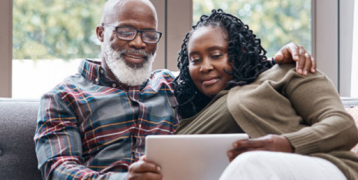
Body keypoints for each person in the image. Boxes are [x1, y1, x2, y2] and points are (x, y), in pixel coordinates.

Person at [34, 1, 317, 179]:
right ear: (100, 33)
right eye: (125, 31)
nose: (138, 43)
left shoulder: (172, 84)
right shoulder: (63, 96)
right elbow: (59, 168)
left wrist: (282, 58)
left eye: (148, 35)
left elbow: (232, 72)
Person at [166, 9, 358, 179]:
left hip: (324, 168)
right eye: (195, 60)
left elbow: (343, 126)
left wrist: (287, 144)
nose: (205, 67)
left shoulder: (287, 71)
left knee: (250, 163)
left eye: (216, 55)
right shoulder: (193, 115)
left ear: (239, 51)